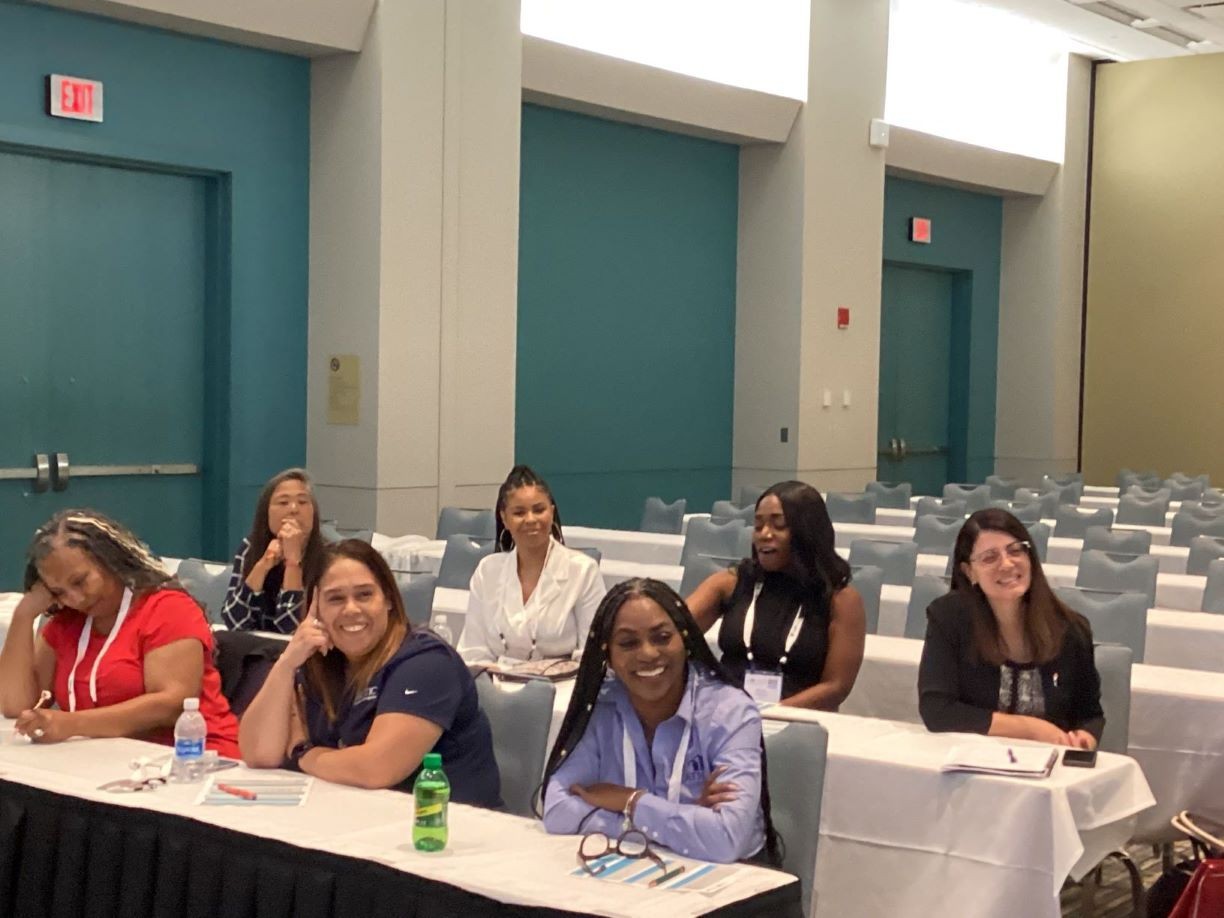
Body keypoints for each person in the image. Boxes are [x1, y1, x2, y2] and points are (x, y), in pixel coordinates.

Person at [239, 539, 501, 805]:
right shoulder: (318, 660)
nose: (351, 609)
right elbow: (260, 754)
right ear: (315, 608)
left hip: (446, 828)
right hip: (354, 817)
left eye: (364, 595)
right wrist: (286, 663)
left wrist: (303, 752)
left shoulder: (428, 662)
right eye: (335, 598)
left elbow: (375, 768)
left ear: (388, 599)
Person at [541, 578, 780, 865]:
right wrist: (683, 820)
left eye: (662, 637)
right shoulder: (600, 708)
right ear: (609, 656)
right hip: (632, 873)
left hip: (733, 885)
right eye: (628, 643)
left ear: (686, 639)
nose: (648, 653)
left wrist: (629, 801)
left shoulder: (730, 712)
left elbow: (726, 839)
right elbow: (557, 810)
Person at [0, 509, 239, 756]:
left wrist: (72, 724)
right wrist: (23, 616)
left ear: (110, 560)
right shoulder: (68, 622)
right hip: (110, 759)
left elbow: (171, 705)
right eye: (59, 592)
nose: (75, 599)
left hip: (195, 757)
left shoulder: (167, 608)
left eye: (80, 581)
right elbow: (15, 705)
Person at [917, 508, 1103, 749]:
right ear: (969, 571)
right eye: (989, 557)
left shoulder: (1071, 629)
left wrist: (1084, 737)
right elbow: (937, 711)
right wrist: (1031, 729)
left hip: (1050, 770)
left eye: (1015, 550)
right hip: (971, 765)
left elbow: (1089, 714)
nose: (1006, 564)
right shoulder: (949, 618)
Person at [686, 481, 866, 709]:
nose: (764, 534)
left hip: (797, 722)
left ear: (807, 531)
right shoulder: (730, 582)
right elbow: (675, 630)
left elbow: (836, 686)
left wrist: (768, 713)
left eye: (778, 525)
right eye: (758, 525)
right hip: (726, 715)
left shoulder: (841, 600)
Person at [458, 465, 606, 665]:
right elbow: (473, 652)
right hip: (495, 688)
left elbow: (591, 657)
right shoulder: (487, 571)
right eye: (519, 512)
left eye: (539, 510)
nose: (530, 519)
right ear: (504, 518)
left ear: (551, 512)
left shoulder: (583, 571)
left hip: (563, 689)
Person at [221, 468, 325, 633]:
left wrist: (293, 562)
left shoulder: (329, 556)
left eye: (303, 502)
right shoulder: (250, 547)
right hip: (257, 651)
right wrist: (263, 565)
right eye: (283, 502)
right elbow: (234, 621)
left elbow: (291, 630)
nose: (293, 509)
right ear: (266, 512)